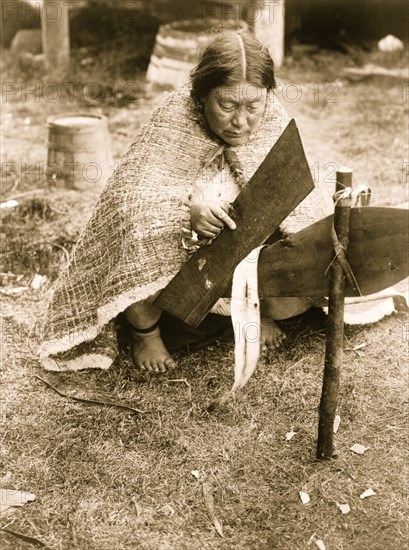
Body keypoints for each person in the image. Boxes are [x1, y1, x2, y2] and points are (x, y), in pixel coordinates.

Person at [39, 30, 330, 373]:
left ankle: (257, 313)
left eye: (253, 106)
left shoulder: (270, 121)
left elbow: (301, 202)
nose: (241, 121)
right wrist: (187, 214)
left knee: (299, 280)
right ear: (201, 96)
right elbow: (131, 201)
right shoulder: (173, 124)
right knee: (139, 238)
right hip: (180, 269)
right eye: (226, 106)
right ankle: (146, 334)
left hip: (245, 267)